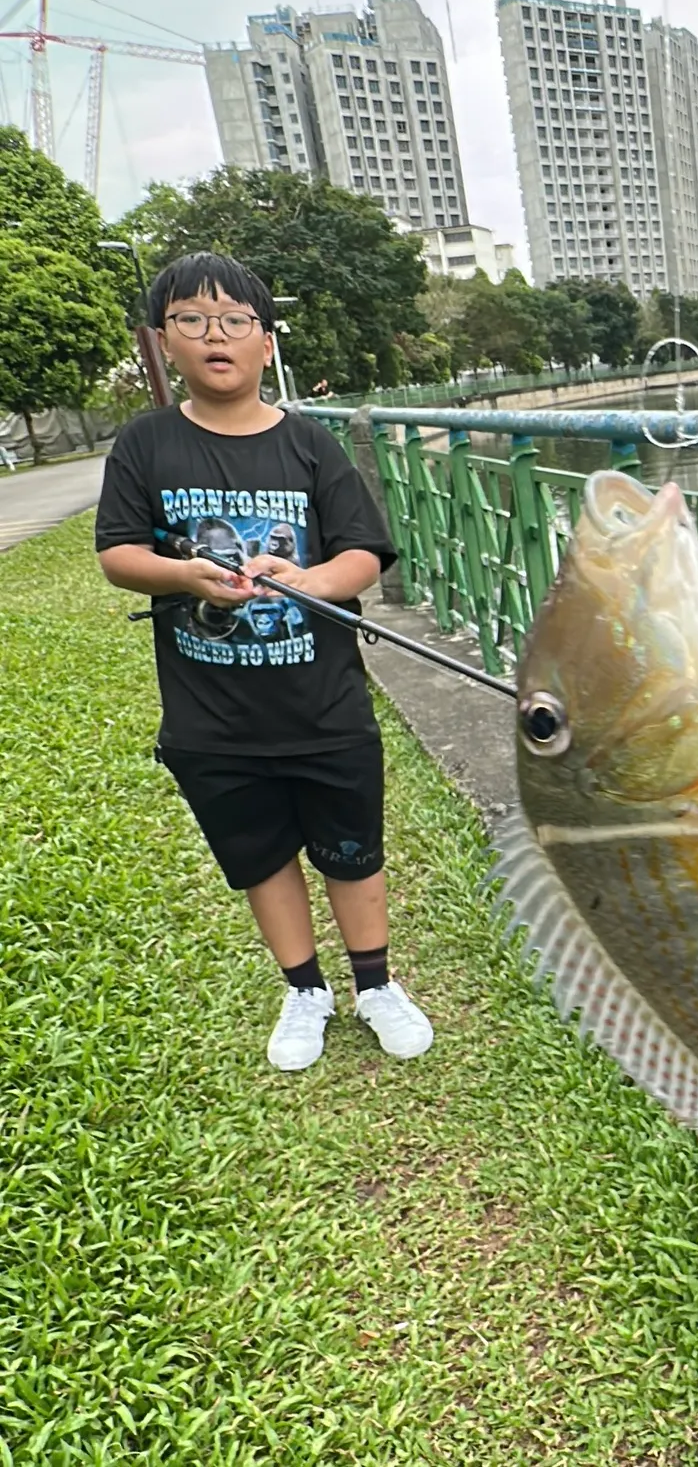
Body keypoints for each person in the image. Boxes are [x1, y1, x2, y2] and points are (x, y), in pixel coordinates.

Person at [94, 252, 433, 1073]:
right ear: (161, 339)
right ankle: (304, 989)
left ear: (265, 339)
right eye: (193, 320)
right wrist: (185, 574)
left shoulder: (309, 444)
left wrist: (310, 579)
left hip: (324, 705)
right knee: (262, 856)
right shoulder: (145, 444)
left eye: (235, 322)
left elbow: (365, 552)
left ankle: (375, 983)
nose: (216, 336)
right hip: (213, 716)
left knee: (352, 851)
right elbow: (117, 553)